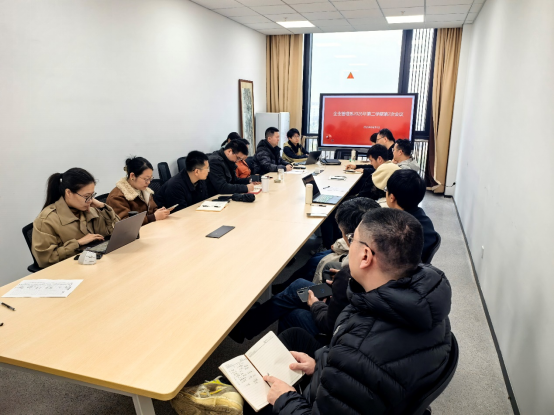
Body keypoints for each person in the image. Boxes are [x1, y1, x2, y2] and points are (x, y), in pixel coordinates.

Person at [264, 209, 453, 415]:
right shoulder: (429, 307)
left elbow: (356, 366)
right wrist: (319, 366)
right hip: (368, 394)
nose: (349, 244)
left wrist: (285, 399)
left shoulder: (357, 351)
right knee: (293, 337)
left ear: (365, 256)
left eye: (353, 239)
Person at [229, 198, 381, 344]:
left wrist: (316, 305)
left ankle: (247, 329)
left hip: (345, 328)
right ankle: (247, 325)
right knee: (298, 286)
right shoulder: (383, 253)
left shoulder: (352, 268)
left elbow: (331, 323)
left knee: (293, 310)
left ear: (350, 235)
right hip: (354, 310)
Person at [32, 168, 119, 269]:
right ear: (68, 193)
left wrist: (103, 207)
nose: (90, 200)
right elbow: (45, 260)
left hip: (96, 265)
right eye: (86, 196)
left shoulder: (91, 210)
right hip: (68, 271)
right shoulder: (46, 220)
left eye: (92, 195)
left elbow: (115, 234)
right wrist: (78, 243)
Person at [386, 169, 440, 263]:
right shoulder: (422, 217)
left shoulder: (400, 231)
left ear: (392, 197)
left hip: (401, 268)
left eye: (386, 189)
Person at [107, 157, 170, 225]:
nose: (149, 182)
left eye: (150, 178)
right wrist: (152, 217)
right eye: (146, 179)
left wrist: (160, 212)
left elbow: (153, 209)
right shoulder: (117, 197)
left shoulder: (144, 190)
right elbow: (124, 223)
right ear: (132, 176)